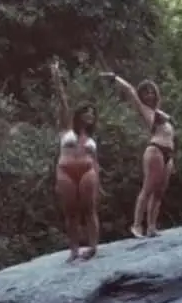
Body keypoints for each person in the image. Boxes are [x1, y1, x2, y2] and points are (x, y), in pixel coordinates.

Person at [101, 72, 174, 238]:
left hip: (168, 152)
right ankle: (136, 225)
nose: (149, 95)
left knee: (159, 192)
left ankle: (152, 226)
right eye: (146, 92)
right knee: (148, 188)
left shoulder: (159, 111)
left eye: (152, 92)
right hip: (156, 149)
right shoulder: (144, 109)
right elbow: (130, 90)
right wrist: (114, 78)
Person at [51, 59, 101, 262]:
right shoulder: (66, 129)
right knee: (70, 211)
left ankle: (93, 246)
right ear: (79, 115)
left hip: (87, 170)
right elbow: (62, 101)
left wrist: (100, 182)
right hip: (65, 170)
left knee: (89, 209)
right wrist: (56, 77)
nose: (90, 116)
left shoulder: (91, 138)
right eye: (87, 112)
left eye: (92, 114)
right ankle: (73, 249)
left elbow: (96, 161)